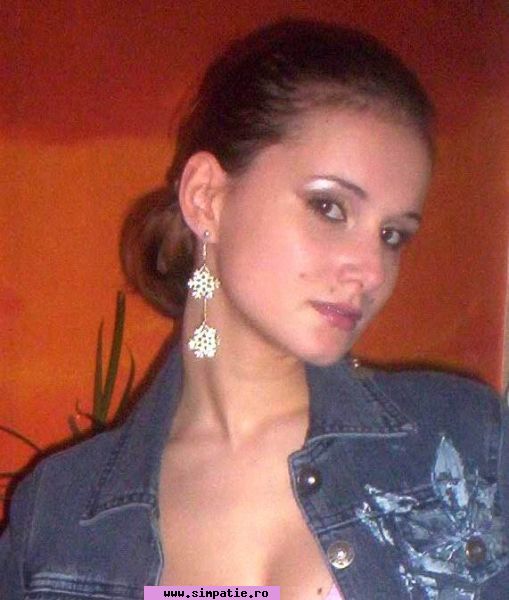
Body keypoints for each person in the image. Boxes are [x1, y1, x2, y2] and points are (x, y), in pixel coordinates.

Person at [1, 18, 508, 600]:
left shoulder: (466, 442)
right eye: (330, 208)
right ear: (207, 199)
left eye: (392, 235)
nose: (372, 271)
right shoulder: (60, 515)